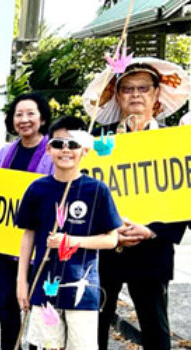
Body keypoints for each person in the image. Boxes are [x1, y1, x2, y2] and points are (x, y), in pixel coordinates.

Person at [85, 60, 191, 350]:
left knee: (155, 327)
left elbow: (183, 198)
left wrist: (153, 231)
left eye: (143, 88)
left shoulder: (175, 143)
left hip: (152, 250)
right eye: (128, 89)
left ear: (157, 94)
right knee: (94, 325)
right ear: (117, 96)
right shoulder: (97, 144)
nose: (135, 94)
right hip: (107, 249)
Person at [15, 116, 121, 350]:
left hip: (82, 292)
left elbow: (111, 239)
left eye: (72, 144)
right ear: (48, 148)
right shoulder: (37, 189)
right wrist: (22, 281)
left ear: (84, 149)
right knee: (45, 346)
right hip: (44, 287)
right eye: (59, 143)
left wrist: (71, 241)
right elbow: (28, 235)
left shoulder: (97, 190)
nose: (66, 150)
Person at [0, 93, 54, 350]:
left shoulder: (54, 152)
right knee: (7, 305)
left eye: (31, 113)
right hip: (6, 243)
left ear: (42, 118)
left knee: (40, 306)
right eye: (19, 114)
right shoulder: (4, 153)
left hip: (41, 244)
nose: (25, 119)